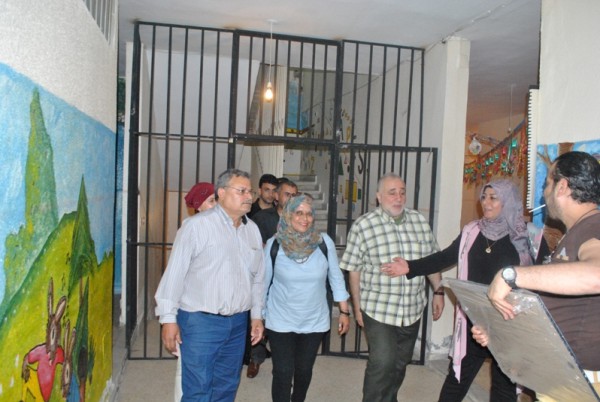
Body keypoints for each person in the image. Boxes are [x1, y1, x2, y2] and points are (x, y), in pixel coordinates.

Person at [387, 179, 540, 402]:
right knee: (457, 380)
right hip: (474, 319)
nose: (486, 203)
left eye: (493, 198)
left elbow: (539, 278)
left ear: (508, 201)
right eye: (484, 197)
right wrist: (410, 267)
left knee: (504, 386)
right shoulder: (472, 231)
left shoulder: (525, 237)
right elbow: (444, 257)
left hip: (507, 321)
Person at [473, 151, 600, 396]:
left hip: (580, 380)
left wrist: (511, 275)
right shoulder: (576, 232)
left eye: (547, 184)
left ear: (562, 187)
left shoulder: (593, 227)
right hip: (560, 373)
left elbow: (596, 275)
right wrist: (498, 330)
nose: (544, 193)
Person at [155, 169, 265, 402]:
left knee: (227, 385)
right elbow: (174, 274)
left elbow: (258, 278)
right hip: (200, 322)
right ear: (221, 193)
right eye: (241, 191)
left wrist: (256, 316)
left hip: (238, 323)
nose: (249, 196)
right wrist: (168, 319)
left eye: (250, 191)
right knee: (198, 389)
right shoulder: (196, 226)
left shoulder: (252, 230)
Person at [339, 172, 444, 402]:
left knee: (399, 364)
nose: (398, 198)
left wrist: (438, 290)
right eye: (392, 193)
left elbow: (431, 261)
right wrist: (356, 307)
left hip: (412, 309)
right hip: (378, 309)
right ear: (378, 196)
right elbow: (353, 270)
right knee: (382, 362)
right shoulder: (364, 226)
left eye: (402, 192)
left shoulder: (419, 222)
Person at [263, 193, 350, 402]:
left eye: (309, 214)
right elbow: (262, 284)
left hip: (314, 320)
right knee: (283, 371)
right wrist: (258, 316)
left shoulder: (323, 242)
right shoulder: (274, 245)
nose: (305, 218)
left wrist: (344, 311)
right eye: (299, 213)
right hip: (280, 319)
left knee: (303, 370)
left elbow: (336, 277)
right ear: (288, 215)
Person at [245, 177, 298, 379]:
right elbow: (251, 246)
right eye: (287, 194)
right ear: (277, 196)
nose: (291, 198)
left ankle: (285, 363)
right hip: (265, 277)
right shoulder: (261, 218)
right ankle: (255, 359)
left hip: (289, 280)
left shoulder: (299, 219)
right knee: (260, 318)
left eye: (294, 195)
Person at [171, 182, 216, 402]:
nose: (217, 205)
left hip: (214, 310)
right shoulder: (189, 230)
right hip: (193, 311)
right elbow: (176, 276)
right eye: (211, 201)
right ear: (198, 206)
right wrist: (170, 318)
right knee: (189, 369)